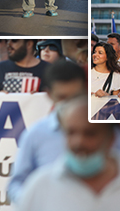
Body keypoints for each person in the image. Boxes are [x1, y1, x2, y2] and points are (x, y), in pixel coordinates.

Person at [17, 98, 120, 211]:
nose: (78, 142)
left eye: (90, 134)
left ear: (111, 139)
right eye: (71, 133)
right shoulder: (40, 186)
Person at [9, 61, 92, 203]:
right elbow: (16, 184)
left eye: (75, 97)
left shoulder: (104, 132)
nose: (69, 104)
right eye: (62, 97)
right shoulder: (36, 134)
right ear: (49, 94)